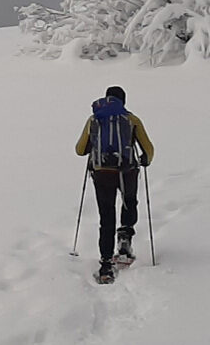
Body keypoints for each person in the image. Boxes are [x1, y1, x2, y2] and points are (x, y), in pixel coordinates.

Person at [75, 85, 154, 282]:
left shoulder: (94, 119)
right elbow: (149, 150)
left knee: (106, 215)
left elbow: (80, 150)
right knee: (129, 201)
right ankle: (125, 237)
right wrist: (145, 160)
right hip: (127, 171)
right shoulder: (131, 119)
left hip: (102, 174)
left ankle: (106, 265)